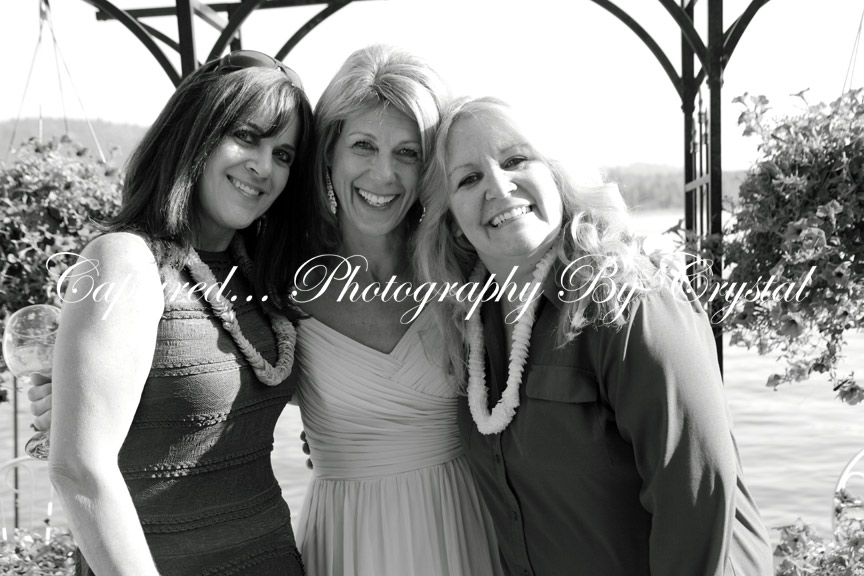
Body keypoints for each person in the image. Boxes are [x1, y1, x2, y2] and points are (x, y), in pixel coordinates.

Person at [413, 96, 775, 576]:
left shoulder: (630, 303)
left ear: (557, 178)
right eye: (469, 178)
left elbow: (696, 497)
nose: (498, 186)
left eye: (515, 160)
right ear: (454, 225)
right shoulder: (470, 329)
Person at [42, 50, 314, 575]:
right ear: (195, 132)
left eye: (283, 154)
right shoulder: (124, 259)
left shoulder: (257, 275)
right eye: (247, 136)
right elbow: (78, 469)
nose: (264, 167)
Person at [280, 45, 502, 576]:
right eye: (364, 145)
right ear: (329, 151)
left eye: (407, 152)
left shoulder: (468, 268)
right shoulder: (281, 282)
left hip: (463, 529)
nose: (384, 175)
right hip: (347, 541)